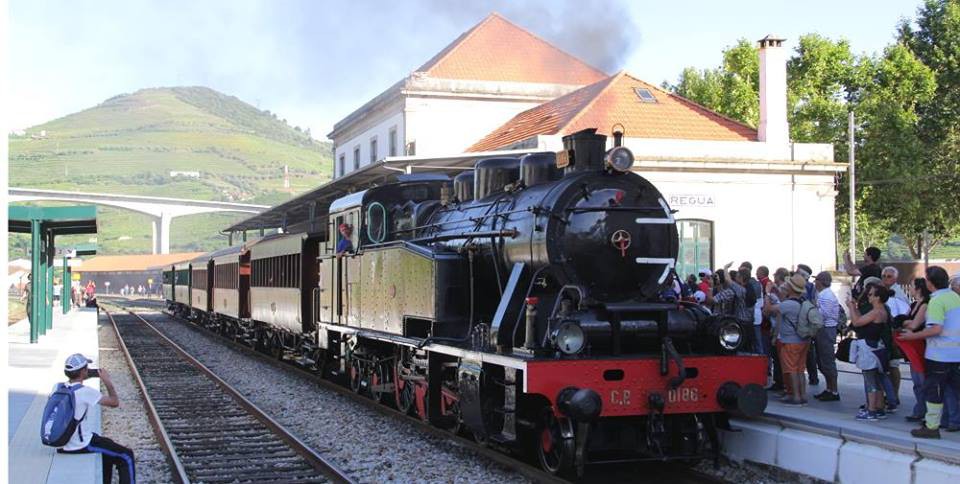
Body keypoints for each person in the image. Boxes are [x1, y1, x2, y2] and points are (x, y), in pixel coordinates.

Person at [57, 353, 135, 483]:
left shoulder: (58, 387)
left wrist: (81, 377)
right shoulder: (85, 392)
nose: (88, 371)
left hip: (62, 442)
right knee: (127, 456)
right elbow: (114, 402)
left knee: (107, 447)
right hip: (79, 445)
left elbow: (74, 383)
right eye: (86, 369)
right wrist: (107, 381)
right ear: (83, 372)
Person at [900, 268, 960, 438]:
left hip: (939, 354)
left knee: (933, 391)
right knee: (955, 390)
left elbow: (936, 328)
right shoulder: (955, 297)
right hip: (956, 354)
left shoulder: (936, 301)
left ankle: (932, 427)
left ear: (929, 283)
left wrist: (913, 336)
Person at [847, 285, 894, 420]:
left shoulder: (876, 312)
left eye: (870, 294)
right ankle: (879, 408)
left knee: (870, 380)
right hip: (876, 347)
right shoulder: (881, 310)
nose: (868, 296)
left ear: (877, 297)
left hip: (869, 348)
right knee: (877, 379)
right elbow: (860, 319)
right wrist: (854, 307)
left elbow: (856, 323)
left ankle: (872, 410)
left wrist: (851, 307)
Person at [765, 274, 810, 405]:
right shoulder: (803, 302)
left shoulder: (788, 304)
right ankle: (802, 395)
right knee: (800, 369)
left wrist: (767, 293)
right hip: (803, 340)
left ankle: (795, 396)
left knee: (791, 370)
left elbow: (768, 310)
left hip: (790, 341)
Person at [901, 278, 932, 422]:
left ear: (918, 288)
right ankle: (920, 409)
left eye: (912, 286)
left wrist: (905, 322)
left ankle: (925, 411)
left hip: (921, 345)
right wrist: (907, 322)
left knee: (922, 380)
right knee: (917, 381)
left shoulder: (925, 304)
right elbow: (908, 321)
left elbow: (913, 324)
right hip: (912, 345)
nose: (910, 289)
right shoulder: (914, 304)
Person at [813, 271, 841, 401]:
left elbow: (823, 315)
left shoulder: (826, 296)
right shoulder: (823, 295)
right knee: (823, 361)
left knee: (827, 360)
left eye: (816, 280)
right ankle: (829, 388)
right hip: (824, 329)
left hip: (826, 329)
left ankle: (833, 390)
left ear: (821, 281)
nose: (814, 283)